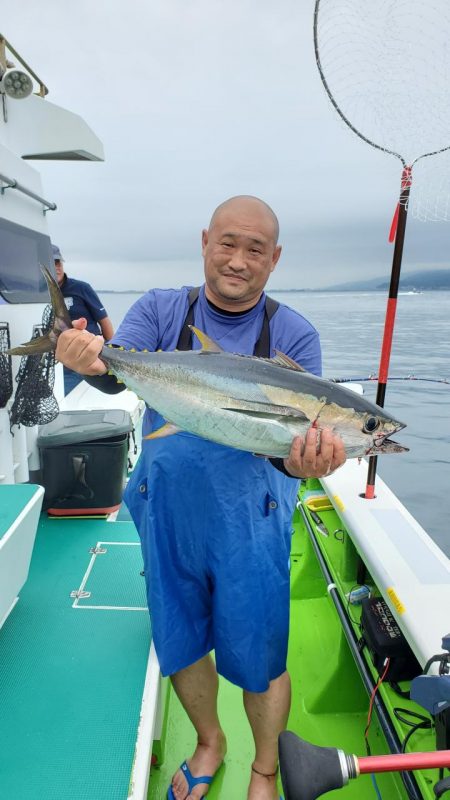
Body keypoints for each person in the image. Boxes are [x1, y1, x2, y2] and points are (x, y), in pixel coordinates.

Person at [54, 196, 346, 800]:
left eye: (255, 250)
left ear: (276, 259)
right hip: (167, 511)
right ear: (205, 240)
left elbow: (283, 448)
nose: (238, 261)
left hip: (252, 518)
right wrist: (85, 358)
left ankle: (264, 768)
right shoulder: (162, 310)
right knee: (180, 638)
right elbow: (114, 371)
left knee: (261, 654)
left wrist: (304, 456)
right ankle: (210, 740)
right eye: (228, 243)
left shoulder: (293, 335)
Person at [52, 244, 114, 394]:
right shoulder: (41, 294)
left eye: (58, 262)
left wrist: (113, 354)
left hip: (92, 357)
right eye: (51, 264)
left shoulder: (81, 288)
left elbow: (104, 321)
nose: (57, 268)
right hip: (62, 363)